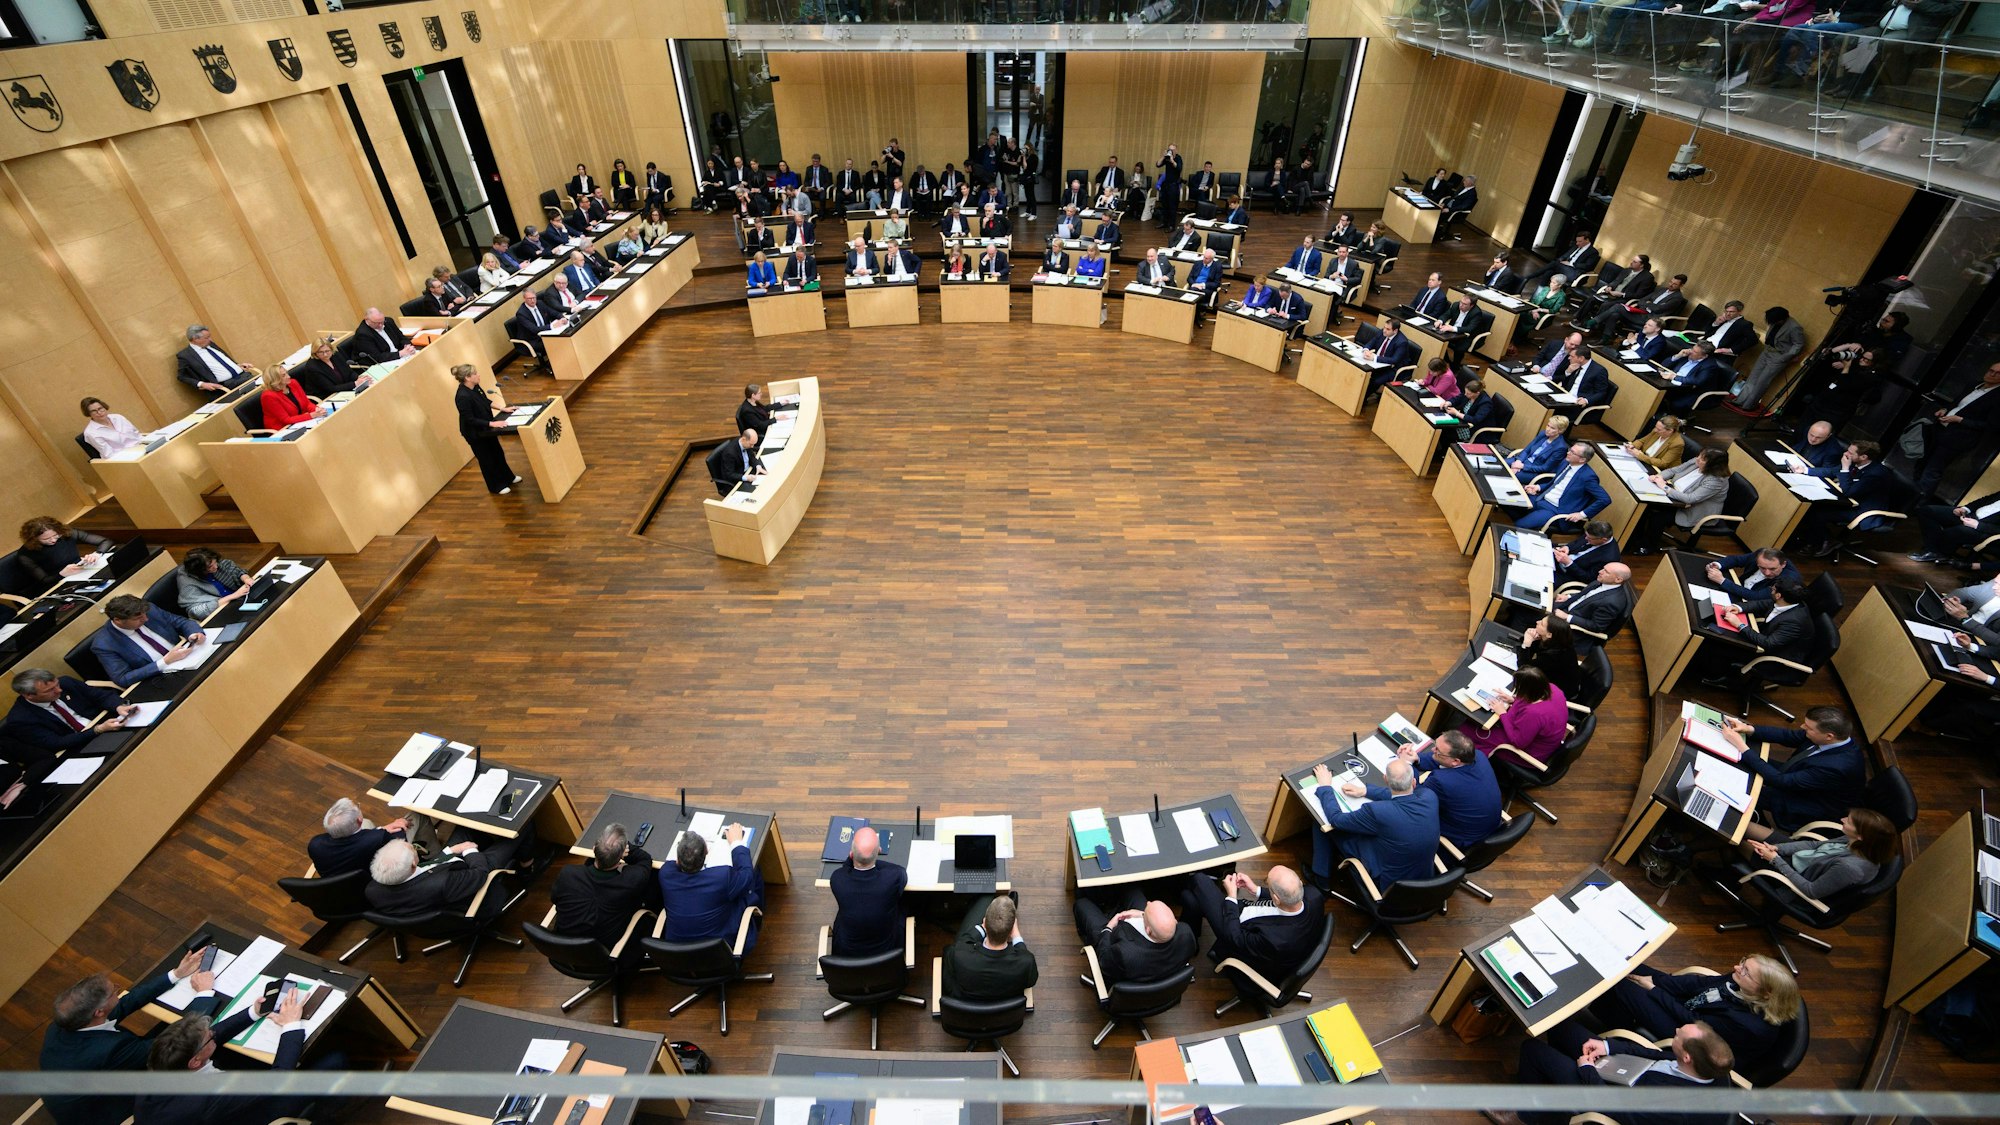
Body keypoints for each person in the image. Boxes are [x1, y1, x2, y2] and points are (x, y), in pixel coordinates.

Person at [41, 951, 215, 1125]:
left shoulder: (67, 1022)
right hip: (104, 1112)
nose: (118, 990)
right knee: (196, 1048)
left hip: (80, 1087)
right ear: (99, 1012)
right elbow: (180, 1042)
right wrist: (205, 992)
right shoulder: (108, 1050)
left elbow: (124, 1003)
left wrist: (176, 974)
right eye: (114, 991)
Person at [140, 987, 331, 1125]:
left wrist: (254, 1013)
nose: (213, 1034)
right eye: (210, 1038)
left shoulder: (161, 1061)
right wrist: (290, 1025)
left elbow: (210, 1036)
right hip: (250, 1115)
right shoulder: (210, 1096)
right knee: (332, 1060)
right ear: (195, 1061)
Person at [1490, 1019, 1736, 1125]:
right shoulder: (1711, 1065)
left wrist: (1587, 1071)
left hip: (1609, 1097)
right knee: (1560, 1028)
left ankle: (1524, 1115)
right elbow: (1654, 1055)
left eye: (1678, 1035)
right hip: (1628, 1074)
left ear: (1687, 1057)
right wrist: (1606, 1046)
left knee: (1532, 1049)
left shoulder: (1673, 1111)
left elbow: (1614, 1108)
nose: (1676, 1029)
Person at [1587, 955, 1802, 1064]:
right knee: (1625, 965)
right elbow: (1698, 984)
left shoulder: (1748, 1026)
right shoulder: (1740, 980)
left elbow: (1694, 1021)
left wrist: (1653, 990)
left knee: (1624, 986)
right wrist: (1657, 980)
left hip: (1696, 1039)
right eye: (1743, 963)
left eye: (1746, 971)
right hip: (1694, 1011)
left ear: (1765, 994)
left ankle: (1610, 1026)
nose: (1737, 968)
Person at [1713, 709, 1866, 840]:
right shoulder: (1829, 738)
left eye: (1808, 728)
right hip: (1798, 774)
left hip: (1808, 801)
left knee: (1740, 790)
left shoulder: (1837, 767)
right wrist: (1748, 729)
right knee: (1744, 761)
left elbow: (1781, 781)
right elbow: (1789, 736)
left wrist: (1741, 746)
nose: (1802, 727)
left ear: (1829, 736)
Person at [1177, 864, 1323, 982]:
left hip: (1235, 931)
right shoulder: (1313, 895)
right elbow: (1288, 895)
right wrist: (1255, 890)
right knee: (1189, 899)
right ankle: (1190, 943)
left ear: (1276, 899)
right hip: (1248, 918)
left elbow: (1234, 938)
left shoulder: (1274, 940)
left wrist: (1232, 896)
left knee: (1199, 879)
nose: (1266, 883)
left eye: (1267, 883)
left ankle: (1185, 943)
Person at [1314, 758, 1442, 888]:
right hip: (1423, 876)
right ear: (1414, 782)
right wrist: (1365, 791)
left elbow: (1337, 819)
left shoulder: (1377, 811)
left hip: (1387, 883)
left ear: (1385, 780)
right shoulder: (1429, 796)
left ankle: (1321, 880)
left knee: (1323, 822)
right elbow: (1407, 796)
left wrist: (1325, 787)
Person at [553, 822, 661, 957]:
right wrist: (626, 849)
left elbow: (555, 899)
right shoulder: (630, 881)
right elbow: (645, 860)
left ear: (593, 849)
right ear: (621, 856)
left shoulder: (567, 874)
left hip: (563, 948)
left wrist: (610, 850)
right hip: (605, 955)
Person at [1382, 730, 1500, 853]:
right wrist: (1416, 758)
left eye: (1438, 750)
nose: (1433, 750)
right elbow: (1441, 761)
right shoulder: (1477, 756)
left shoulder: (1442, 781)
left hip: (1464, 838)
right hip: (1485, 823)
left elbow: (1414, 795)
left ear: (1456, 761)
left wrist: (1406, 763)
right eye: (1436, 746)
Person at [367, 831, 529, 918]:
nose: (413, 847)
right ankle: (528, 867)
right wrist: (469, 849)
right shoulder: (443, 883)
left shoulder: (372, 889)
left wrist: (450, 851)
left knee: (464, 829)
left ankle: (486, 842)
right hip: (472, 888)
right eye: (412, 849)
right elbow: (480, 873)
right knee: (519, 829)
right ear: (412, 864)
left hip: (439, 890)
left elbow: (425, 870)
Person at [1745, 807, 1897, 897]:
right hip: (1801, 858)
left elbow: (1811, 890)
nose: (1842, 819)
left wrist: (1774, 859)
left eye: (1849, 822)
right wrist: (1778, 848)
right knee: (1745, 826)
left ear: (1861, 836)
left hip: (1796, 877)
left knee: (1735, 840)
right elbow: (1814, 845)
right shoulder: (1856, 840)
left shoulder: (1849, 869)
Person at [1916, 361, 2000, 500]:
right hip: (1940, 428)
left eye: (1997, 374)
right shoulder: (1974, 385)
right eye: (1991, 370)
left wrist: (1959, 420)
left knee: (1932, 470)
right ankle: (1909, 493)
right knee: (1921, 462)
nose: (1992, 374)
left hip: (1959, 438)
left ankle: (1917, 503)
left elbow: (1992, 426)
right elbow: (1957, 404)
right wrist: (1945, 410)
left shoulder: (1997, 397)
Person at [5, 668, 132, 757]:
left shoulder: (66, 682)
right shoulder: (20, 719)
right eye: (50, 690)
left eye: (56, 684)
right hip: (80, 745)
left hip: (106, 724)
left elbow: (100, 696)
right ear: (29, 695)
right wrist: (97, 730)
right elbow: (55, 743)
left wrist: (118, 706)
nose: (59, 690)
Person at [1074, 893, 1194, 987]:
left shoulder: (1124, 953)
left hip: (1115, 955)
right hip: (1160, 973)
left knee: (1082, 904)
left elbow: (1104, 958)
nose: (1148, 902)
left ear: (1148, 930)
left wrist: (1109, 927)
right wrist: (1142, 914)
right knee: (1132, 891)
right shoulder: (1186, 934)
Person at [1632, 445, 1731, 554]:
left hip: (1694, 510)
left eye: (1703, 459)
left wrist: (1664, 487)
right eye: (1700, 455)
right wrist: (1658, 477)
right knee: (1645, 505)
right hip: (1675, 496)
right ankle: (1635, 537)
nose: (1698, 458)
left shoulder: (1716, 480)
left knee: (1658, 517)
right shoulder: (1696, 461)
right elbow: (1674, 470)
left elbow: (1690, 498)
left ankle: (1649, 547)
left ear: (1714, 465)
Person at [89, 594, 204, 687]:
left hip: (191, 658)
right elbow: (123, 678)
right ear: (118, 620)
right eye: (138, 618)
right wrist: (164, 662)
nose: (146, 619)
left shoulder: (149, 610)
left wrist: (193, 633)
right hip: (164, 679)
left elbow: (181, 622)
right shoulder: (104, 645)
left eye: (144, 615)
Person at [829, 826, 907, 959]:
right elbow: (899, 870)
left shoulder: (837, 879)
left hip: (847, 959)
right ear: (879, 851)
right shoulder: (893, 878)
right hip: (887, 956)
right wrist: (872, 858)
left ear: (851, 853)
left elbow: (845, 867)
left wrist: (857, 858)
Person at [1464, 665, 1569, 763]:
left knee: (1468, 730)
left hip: (1530, 753)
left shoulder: (1534, 714)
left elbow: (1518, 742)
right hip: (1540, 739)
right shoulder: (1552, 688)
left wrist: (1502, 713)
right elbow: (1530, 701)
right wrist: (1512, 700)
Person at [942, 894, 1037, 1001]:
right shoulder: (1026, 962)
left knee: (986, 898)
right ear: (1011, 930)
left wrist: (984, 927)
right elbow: (1030, 982)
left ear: (985, 923)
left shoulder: (959, 954)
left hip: (966, 1006)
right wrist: (1016, 935)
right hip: (1004, 1012)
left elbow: (960, 944)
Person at [1517, 443, 1611, 532]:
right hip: (1540, 498)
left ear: (1582, 460)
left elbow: (1605, 499)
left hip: (1555, 510)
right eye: (1570, 449)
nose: (1568, 452)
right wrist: (1539, 487)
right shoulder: (1566, 462)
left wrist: (1582, 514)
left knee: (1519, 525)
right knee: (1508, 503)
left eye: (1572, 452)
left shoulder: (1588, 477)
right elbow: (1556, 483)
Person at [308, 797, 411, 878]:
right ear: (359, 820)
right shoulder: (377, 839)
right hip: (367, 884)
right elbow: (400, 838)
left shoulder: (315, 844)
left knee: (367, 823)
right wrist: (402, 823)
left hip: (337, 884)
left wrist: (381, 829)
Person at [1552, 562, 1635, 642]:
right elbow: (1587, 594)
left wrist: (1567, 617)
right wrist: (1568, 596)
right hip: (1567, 606)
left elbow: (1596, 626)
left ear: (1618, 579)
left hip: (1572, 623)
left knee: (1540, 618)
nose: (1600, 571)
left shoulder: (1612, 603)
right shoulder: (1604, 581)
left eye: (1606, 571)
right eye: (1603, 568)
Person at [17, 516, 113, 585]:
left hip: (82, 569)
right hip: (59, 581)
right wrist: (62, 574)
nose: (53, 540)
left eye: (55, 535)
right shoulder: (26, 554)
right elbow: (44, 580)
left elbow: (106, 541)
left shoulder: (66, 533)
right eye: (46, 539)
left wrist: (97, 554)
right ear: (34, 539)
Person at [174, 326, 255, 395]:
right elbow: (182, 376)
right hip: (226, 385)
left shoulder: (211, 345)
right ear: (195, 339)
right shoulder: (186, 355)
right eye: (207, 338)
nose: (210, 339)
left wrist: (237, 366)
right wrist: (202, 384)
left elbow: (222, 360)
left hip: (244, 375)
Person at [173, 547, 250, 619]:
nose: (216, 567)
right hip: (221, 611)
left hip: (242, 598)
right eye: (210, 567)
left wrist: (245, 578)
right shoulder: (187, 583)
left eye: (215, 562)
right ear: (200, 570)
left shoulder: (213, 562)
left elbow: (233, 569)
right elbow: (197, 611)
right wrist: (234, 596)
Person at [1552, 521, 1621, 589]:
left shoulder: (1609, 558)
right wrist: (1567, 547)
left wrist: (1568, 563)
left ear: (1603, 540)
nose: (1585, 538)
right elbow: (1577, 542)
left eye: (1589, 538)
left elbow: (1588, 578)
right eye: (1586, 535)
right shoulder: (1592, 534)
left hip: (1569, 575)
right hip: (1560, 560)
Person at [1523, 232, 1602, 288]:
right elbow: (1565, 255)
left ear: (1587, 240)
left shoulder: (1593, 252)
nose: (1577, 243)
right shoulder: (1576, 246)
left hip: (1576, 273)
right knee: (1549, 271)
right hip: (1564, 268)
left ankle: (1528, 277)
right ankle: (1540, 291)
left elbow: (1587, 266)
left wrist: (1570, 263)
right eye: (1577, 241)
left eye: (1580, 241)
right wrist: (1560, 260)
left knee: (1554, 264)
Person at [257, 364, 323, 430]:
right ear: (275, 380)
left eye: (286, 373)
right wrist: (311, 415)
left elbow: (307, 404)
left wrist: (316, 409)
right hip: (282, 428)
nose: (288, 376)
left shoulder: (293, 383)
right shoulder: (268, 396)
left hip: (300, 422)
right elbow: (286, 419)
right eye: (283, 375)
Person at [79, 398, 144, 458]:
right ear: (88, 413)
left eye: (100, 408)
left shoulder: (118, 417)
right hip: (124, 457)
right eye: (94, 411)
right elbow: (109, 455)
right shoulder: (91, 432)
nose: (99, 412)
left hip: (141, 448)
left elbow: (137, 434)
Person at [706, 429, 764, 496]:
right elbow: (729, 474)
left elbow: (751, 457)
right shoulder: (730, 453)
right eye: (751, 444)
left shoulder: (746, 443)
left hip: (748, 472)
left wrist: (757, 466)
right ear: (743, 439)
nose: (752, 447)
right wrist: (746, 477)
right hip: (738, 479)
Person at [1440, 295, 1494, 365]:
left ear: (1471, 306)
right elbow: (1446, 315)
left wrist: (1452, 328)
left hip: (1469, 336)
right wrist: (1440, 321)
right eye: (1461, 302)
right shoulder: (1456, 305)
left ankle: (1455, 366)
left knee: (1459, 349)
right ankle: (1446, 361)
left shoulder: (1476, 313)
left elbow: (1470, 328)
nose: (1461, 305)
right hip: (1455, 331)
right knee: (1440, 339)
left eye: (1464, 304)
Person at [350, 308, 416, 364]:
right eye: (376, 323)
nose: (380, 325)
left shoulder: (388, 321)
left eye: (382, 322)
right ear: (367, 319)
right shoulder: (363, 334)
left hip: (400, 356)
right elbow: (377, 357)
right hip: (382, 362)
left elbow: (401, 337)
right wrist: (400, 353)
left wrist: (407, 346)